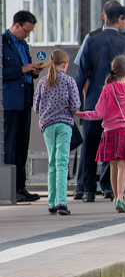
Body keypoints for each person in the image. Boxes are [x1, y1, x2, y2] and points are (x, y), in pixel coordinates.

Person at [75, 2, 125, 202]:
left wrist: (76, 101)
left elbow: (82, 73)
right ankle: (112, 189)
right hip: (121, 105)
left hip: (95, 101)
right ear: (119, 19)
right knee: (117, 147)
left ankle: (88, 190)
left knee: (90, 145)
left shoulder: (91, 39)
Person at [77, 56, 125, 213]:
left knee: (113, 167)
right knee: (123, 166)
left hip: (109, 132)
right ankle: (121, 198)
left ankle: (116, 198)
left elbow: (98, 113)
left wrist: (81, 114)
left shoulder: (107, 89)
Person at [33, 49, 80, 215]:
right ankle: (62, 202)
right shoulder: (69, 81)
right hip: (64, 126)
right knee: (61, 164)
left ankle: (52, 202)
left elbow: (36, 107)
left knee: (52, 163)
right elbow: (75, 106)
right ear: (65, 64)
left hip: (47, 126)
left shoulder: (42, 82)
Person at [3, 10, 42, 202]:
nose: (27, 35)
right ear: (16, 25)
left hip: (25, 96)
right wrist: (22, 69)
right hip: (10, 100)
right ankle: (9, 188)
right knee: (9, 144)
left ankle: (20, 186)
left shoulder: (24, 45)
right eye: (26, 31)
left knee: (22, 144)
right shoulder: (4, 43)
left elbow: (26, 68)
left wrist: (33, 70)